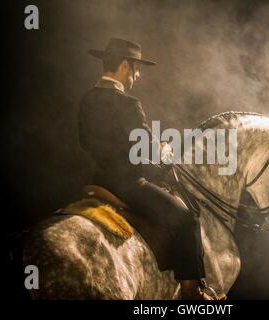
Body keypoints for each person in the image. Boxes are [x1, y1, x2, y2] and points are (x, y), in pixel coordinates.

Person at [78, 38, 211, 300]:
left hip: (98, 182)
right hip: (128, 185)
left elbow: (88, 143)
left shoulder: (87, 99)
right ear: (125, 67)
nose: (137, 76)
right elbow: (147, 152)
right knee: (187, 220)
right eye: (136, 70)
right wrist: (163, 150)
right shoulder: (129, 104)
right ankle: (191, 292)